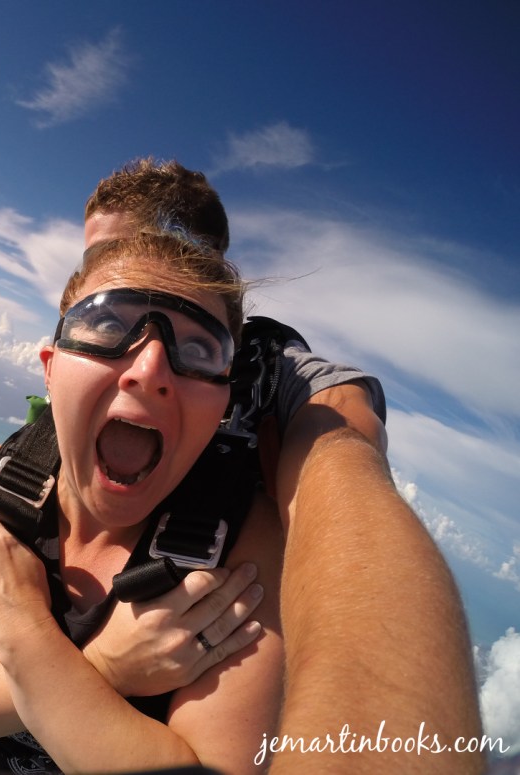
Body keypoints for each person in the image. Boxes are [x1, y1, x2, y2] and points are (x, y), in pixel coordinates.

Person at [81, 159, 484, 772]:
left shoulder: (280, 375)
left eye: (124, 253)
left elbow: (340, 451)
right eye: (89, 264)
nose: (98, 281)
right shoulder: (91, 351)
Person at [0, 233, 286, 773]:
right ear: (50, 368)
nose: (149, 370)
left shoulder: (245, 545)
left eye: (199, 350)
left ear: (222, 400)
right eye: (107, 325)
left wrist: (22, 630)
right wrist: (104, 668)